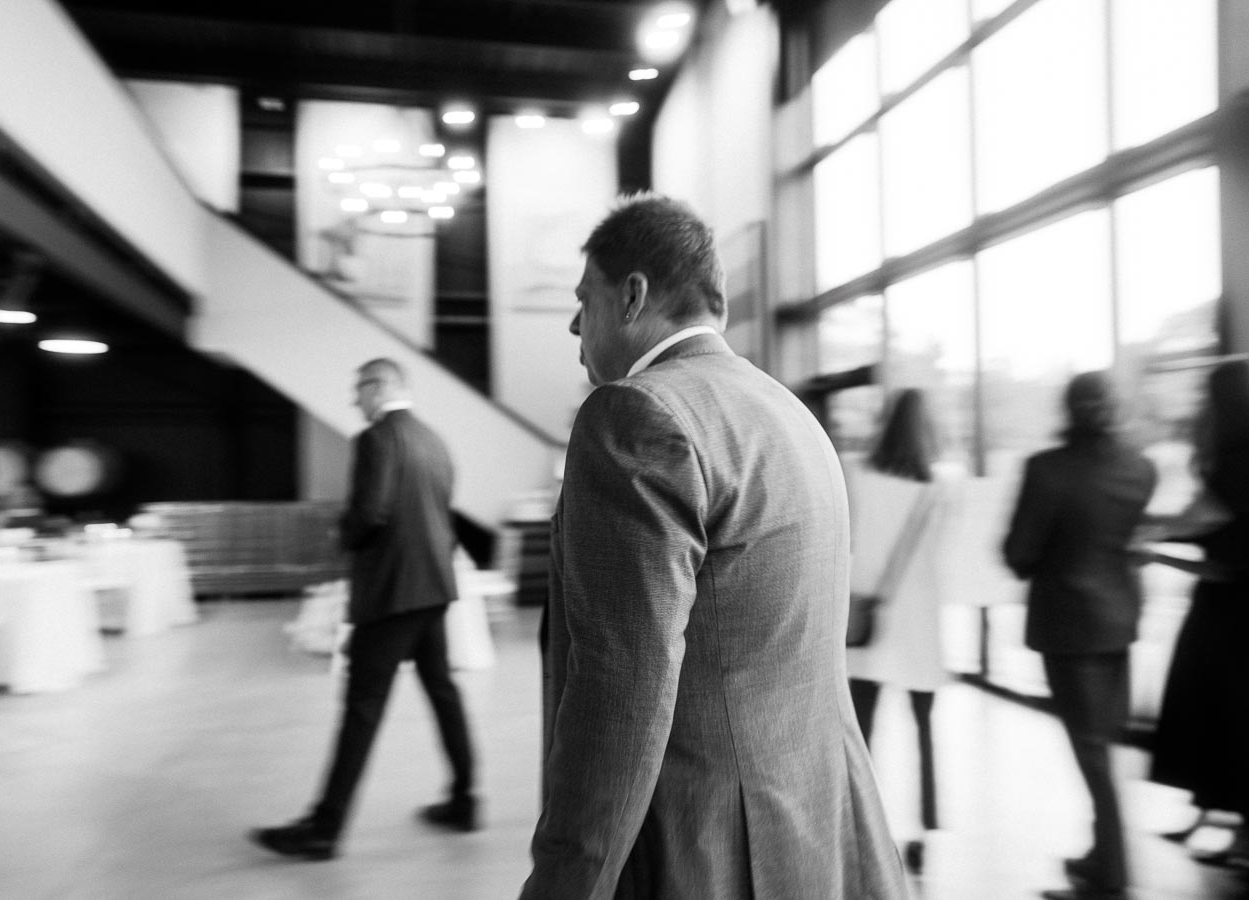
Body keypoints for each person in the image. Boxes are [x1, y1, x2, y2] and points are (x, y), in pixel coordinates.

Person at [520, 193, 907, 899]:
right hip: (808, 819)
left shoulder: (636, 414)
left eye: (586, 298)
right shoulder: (787, 412)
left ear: (632, 295)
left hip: (699, 841)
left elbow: (621, 683)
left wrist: (566, 880)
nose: (575, 323)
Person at [250, 357, 478, 860]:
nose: (355, 400)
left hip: (393, 592)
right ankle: (464, 800)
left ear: (380, 387)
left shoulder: (377, 439)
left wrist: (342, 535)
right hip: (434, 587)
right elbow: (439, 511)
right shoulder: (433, 440)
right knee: (442, 691)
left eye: (358, 390)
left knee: (361, 707)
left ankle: (324, 829)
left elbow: (370, 514)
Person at [1002, 371, 1157, 900]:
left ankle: (1113, 874)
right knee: (1102, 744)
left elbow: (1019, 554)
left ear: (1069, 410)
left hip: (1069, 625)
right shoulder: (1141, 467)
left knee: (1091, 752)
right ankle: (1099, 858)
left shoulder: (1046, 471)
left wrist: (1039, 558)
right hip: (1119, 620)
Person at [1143, 358, 1249, 871]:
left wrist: (1149, 539)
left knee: (1227, 714)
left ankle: (1242, 836)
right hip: (1225, 602)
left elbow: (1207, 523)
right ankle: (1208, 812)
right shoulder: (1234, 457)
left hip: (1235, 610)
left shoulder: (1238, 459)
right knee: (1208, 708)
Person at [845, 388, 955, 876]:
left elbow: (848, 540)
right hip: (920, 625)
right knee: (924, 730)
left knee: (862, 733)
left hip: (870, 618)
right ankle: (925, 832)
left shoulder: (859, 476)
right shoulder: (941, 487)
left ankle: (861, 828)